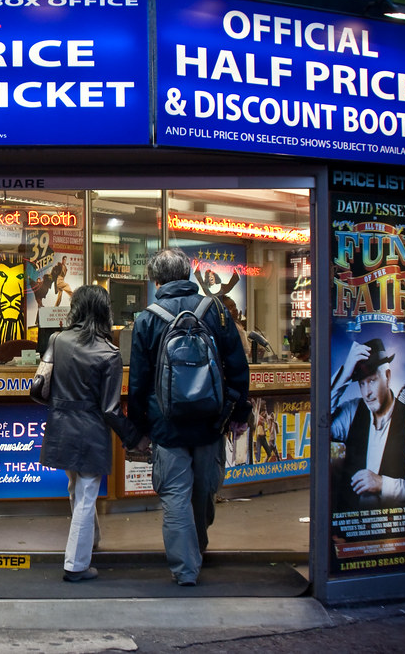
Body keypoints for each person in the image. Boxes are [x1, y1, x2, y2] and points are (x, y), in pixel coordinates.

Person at [128, 247, 250, 587]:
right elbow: (238, 366)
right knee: (203, 490)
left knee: (175, 495)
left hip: (167, 423)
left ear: (155, 280)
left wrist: (140, 426)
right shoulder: (216, 312)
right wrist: (239, 410)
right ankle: (198, 547)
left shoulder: (146, 319)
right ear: (187, 275)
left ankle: (185, 568)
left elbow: (137, 381)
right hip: (210, 420)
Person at [39, 285, 146, 582]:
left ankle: (91, 541)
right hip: (90, 430)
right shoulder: (109, 353)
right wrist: (135, 438)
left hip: (61, 425)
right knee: (87, 495)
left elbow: (38, 386)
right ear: (104, 312)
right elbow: (111, 409)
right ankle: (75, 564)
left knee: (75, 488)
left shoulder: (56, 340)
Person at [330, 338, 405, 510]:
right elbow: (319, 426)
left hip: (391, 525)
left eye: (372, 380)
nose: (367, 393)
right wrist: (344, 376)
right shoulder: (353, 411)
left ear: (387, 376)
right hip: (352, 527)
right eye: (361, 384)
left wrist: (382, 484)